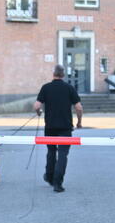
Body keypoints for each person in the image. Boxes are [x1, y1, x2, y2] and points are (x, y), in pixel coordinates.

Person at [33, 64, 83, 193]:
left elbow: (36, 105)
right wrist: (79, 122)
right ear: (64, 75)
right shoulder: (69, 88)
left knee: (51, 152)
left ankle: (49, 177)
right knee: (62, 154)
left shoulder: (46, 88)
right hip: (65, 128)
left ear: (53, 74)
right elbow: (78, 108)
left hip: (50, 127)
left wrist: (39, 112)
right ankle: (57, 183)